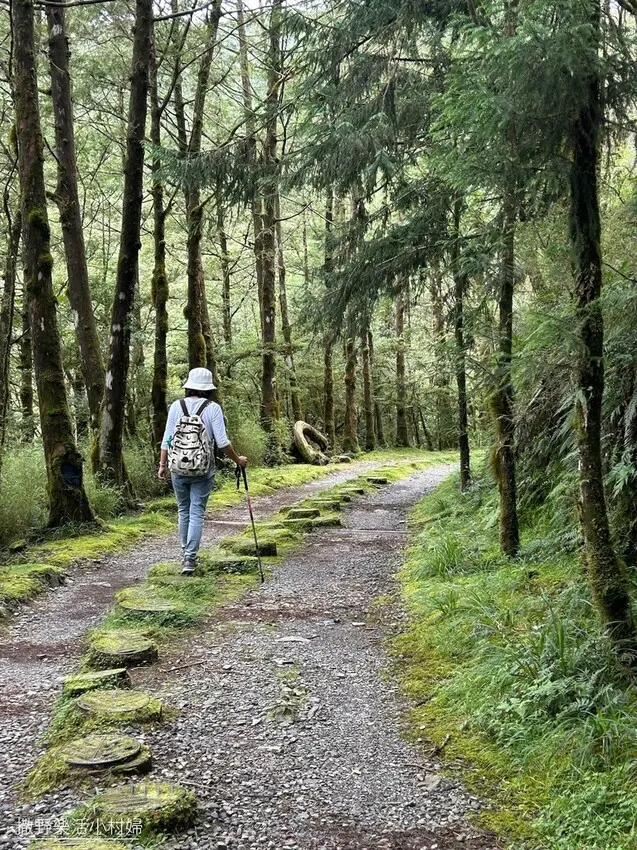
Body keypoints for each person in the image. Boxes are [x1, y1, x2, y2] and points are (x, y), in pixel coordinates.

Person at [159, 368, 247, 574]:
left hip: (178, 468)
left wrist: (162, 465)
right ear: (208, 389)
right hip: (203, 469)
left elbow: (167, 439)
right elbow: (223, 442)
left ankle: (185, 555)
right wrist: (238, 460)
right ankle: (190, 559)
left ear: (189, 386)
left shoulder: (176, 406)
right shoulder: (213, 408)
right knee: (197, 510)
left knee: (183, 510)